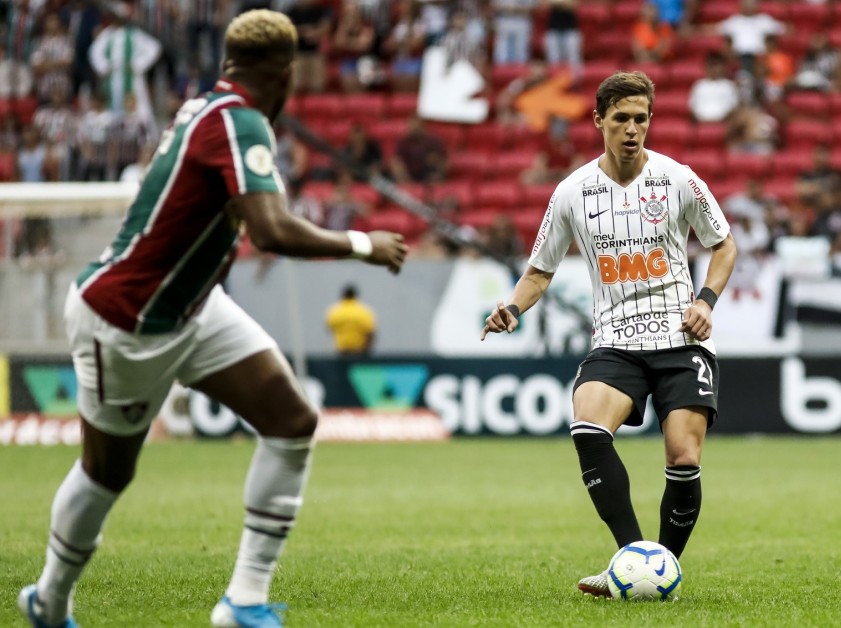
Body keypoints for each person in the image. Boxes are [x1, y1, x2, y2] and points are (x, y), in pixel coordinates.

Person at [16, 10, 408, 628]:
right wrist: (363, 244)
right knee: (107, 472)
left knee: (290, 419)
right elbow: (272, 229)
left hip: (195, 307)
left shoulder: (210, 109)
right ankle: (50, 600)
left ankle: (244, 602)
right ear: (283, 73)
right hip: (128, 321)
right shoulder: (239, 122)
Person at [480, 71, 737, 596]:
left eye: (641, 119)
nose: (632, 129)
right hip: (616, 339)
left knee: (683, 457)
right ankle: (634, 559)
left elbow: (724, 246)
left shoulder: (679, 180)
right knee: (587, 427)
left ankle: (659, 568)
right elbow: (539, 271)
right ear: (599, 120)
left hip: (680, 338)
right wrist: (512, 307)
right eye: (621, 119)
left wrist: (705, 301)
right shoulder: (572, 191)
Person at [325, 284, 377, 355]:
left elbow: (329, 329)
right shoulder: (364, 312)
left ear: (342, 296)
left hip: (341, 351)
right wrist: (366, 350)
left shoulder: (334, 312)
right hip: (359, 352)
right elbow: (370, 333)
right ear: (356, 296)